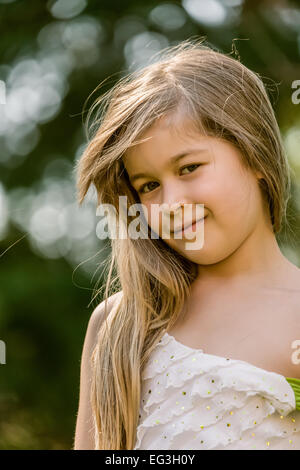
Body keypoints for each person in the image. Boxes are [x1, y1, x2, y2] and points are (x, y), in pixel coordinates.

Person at [73, 38, 300, 450]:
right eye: (149, 185)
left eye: (190, 167)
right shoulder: (121, 323)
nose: (171, 203)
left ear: (255, 157)